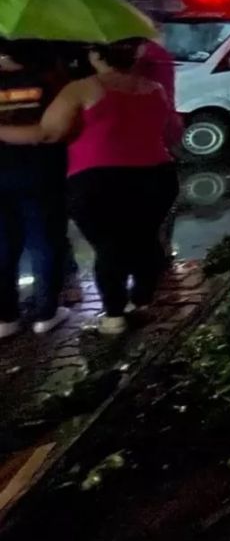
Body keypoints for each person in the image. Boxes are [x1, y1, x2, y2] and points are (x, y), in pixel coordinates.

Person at [0, 39, 179, 336]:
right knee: (145, 239)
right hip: (156, 175)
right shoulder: (154, 89)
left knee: (109, 247)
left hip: (98, 179)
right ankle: (142, 299)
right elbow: (169, 129)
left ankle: (114, 314)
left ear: (96, 54)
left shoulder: (82, 89)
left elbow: (47, 133)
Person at [0, 40, 70, 338]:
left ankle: (5, 318)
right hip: (42, 172)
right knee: (44, 241)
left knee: (2, 244)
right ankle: (46, 313)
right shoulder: (52, 82)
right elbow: (57, 130)